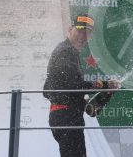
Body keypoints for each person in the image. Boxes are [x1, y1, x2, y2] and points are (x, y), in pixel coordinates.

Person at [43, 14, 117, 157]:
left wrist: (84, 103)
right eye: (80, 31)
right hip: (66, 118)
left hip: (65, 116)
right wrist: (104, 85)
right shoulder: (66, 51)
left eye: (87, 33)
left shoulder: (67, 51)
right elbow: (74, 86)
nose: (82, 36)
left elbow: (48, 90)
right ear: (70, 29)